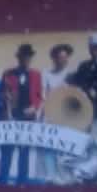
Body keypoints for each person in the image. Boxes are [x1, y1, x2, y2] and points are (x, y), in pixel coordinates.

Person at [0, 44, 43, 185]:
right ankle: (3, 181)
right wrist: (4, 97)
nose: (26, 59)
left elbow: (39, 96)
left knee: (24, 152)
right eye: (23, 56)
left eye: (28, 57)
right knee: (7, 151)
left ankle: (21, 182)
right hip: (11, 117)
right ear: (18, 58)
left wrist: (34, 107)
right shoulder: (8, 74)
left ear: (31, 58)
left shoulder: (36, 75)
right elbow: (0, 93)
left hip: (27, 118)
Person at [69, 33, 97, 164]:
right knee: (85, 145)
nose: (96, 50)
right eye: (93, 47)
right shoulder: (84, 66)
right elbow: (76, 83)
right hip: (84, 113)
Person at [38, 43, 74, 183]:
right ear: (54, 58)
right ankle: (50, 176)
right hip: (49, 113)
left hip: (65, 114)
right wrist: (40, 114)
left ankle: (64, 177)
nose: (63, 60)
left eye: (65, 57)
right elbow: (43, 95)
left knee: (63, 146)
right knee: (48, 146)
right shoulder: (46, 73)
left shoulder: (71, 74)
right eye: (60, 57)